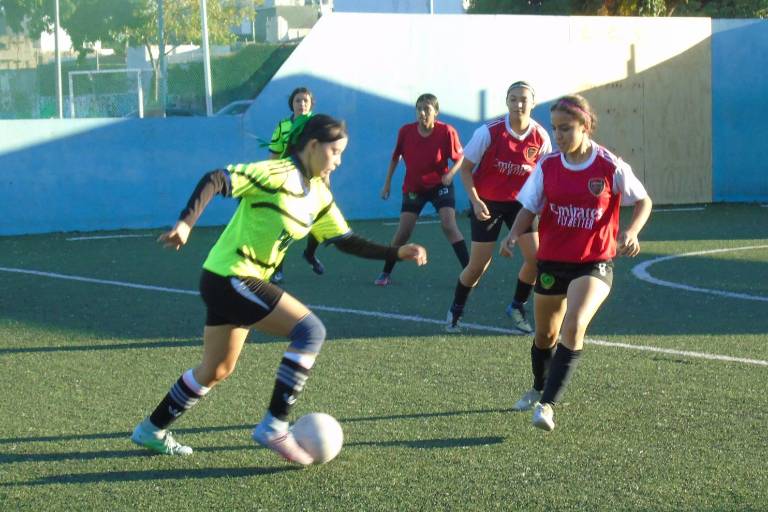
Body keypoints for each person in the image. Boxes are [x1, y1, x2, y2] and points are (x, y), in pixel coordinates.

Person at [131, 114, 428, 465]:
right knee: (310, 330)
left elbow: (345, 240)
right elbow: (216, 178)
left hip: (236, 281)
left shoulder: (318, 194)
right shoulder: (277, 174)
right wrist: (185, 223)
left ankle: (151, 429)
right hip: (231, 276)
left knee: (216, 369)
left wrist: (396, 253)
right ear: (314, 146)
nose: (339, 160)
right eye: (335, 151)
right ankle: (274, 424)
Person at [501, 94, 652, 431]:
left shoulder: (609, 165)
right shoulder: (548, 165)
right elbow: (529, 206)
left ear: (585, 127)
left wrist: (631, 231)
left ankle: (546, 406)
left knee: (575, 323)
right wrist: (513, 235)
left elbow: (643, 201)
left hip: (593, 264)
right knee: (544, 336)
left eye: (566, 128)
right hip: (553, 261)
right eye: (555, 129)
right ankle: (538, 387)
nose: (559, 136)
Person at [445, 81, 552, 333]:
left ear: (533, 103)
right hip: (488, 203)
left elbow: (545, 177)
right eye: (513, 99)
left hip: (522, 204)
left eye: (524, 99)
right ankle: (455, 311)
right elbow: (467, 170)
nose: (519, 104)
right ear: (507, 102)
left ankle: (517, 306)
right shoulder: (488, 132)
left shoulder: (541, 137)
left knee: (536, 261)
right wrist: (475, 200)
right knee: (478, 266)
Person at [376, 93, 469, 286]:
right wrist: (387, 184)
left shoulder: (447, 132)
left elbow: (461, 158)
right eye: (419, 109)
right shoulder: (406, 131)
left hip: (440, 186)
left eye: (427, 109)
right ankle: (385, 273)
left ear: (436, 112)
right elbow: (395, 158)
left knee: (448, 225)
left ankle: (470, 271)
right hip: (414, 187)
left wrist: (450, 174)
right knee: (403, 233)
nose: (422, 113)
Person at [267, 87, 324, 284]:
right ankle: (277, 269)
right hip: (288, 180)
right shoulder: (282, 126)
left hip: (313, 180)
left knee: (319, 221)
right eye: (298, 101)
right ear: (292, 103)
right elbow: (274, 155)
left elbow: (326, 152)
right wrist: (273, 178)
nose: (302, 104)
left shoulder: (317, 124)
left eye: (305, 101)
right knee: (283, 227)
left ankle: (309, 253)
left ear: (311, 103)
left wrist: (326, 176)